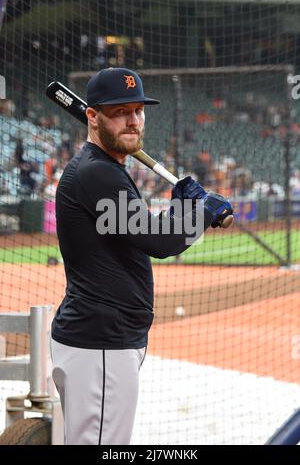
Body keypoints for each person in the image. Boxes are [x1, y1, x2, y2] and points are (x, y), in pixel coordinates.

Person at [50, 67, 233, 445]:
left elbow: (141, 229)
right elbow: (160, 241)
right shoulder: (95, 174)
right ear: (92, 116)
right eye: (119, 112)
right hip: (99, 341)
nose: (133, 120)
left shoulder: (105, 169)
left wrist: (183, 206)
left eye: (138, 110)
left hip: (104, 339)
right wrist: (205, 209)